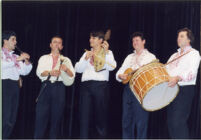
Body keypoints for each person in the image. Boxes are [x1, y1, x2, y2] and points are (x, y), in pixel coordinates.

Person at [75, 30, 117, 138]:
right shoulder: (86, 53)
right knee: (84, 117)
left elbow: (112, 67)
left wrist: (106, 53)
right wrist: (85, 59)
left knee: (101, 117)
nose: (90, 40)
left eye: (93, 38)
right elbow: (78, 69)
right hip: (86, 86)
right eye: (90, 38)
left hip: (100, 86)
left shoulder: (108, 53)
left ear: (101, 40)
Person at [116, 32, 156, 139]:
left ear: (144, 41)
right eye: (133, 41)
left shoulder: (151, 57)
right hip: (128, 89)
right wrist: (120, 75)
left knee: (141, 121)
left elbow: (153, 75)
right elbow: (120, 70)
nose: (134, 43)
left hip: (141, 89)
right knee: (126, 120)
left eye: (137, 40)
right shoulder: (129, 57)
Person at [34, 36, 75, 139]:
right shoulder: (44, 58)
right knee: (40, 118)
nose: (57, 44)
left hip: (59, 88)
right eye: (54, 42)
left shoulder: (66, 60)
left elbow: (72, 76)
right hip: (46, 86)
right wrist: (50, 72)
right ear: (50, 45)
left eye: (59, 43)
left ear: (62, 46)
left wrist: (66, 70)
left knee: (56, 119)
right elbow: (39, 73)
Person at [166, 27, 200, 139]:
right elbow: (165, 71)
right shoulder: (173, 56)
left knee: (178, 122)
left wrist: (177, 78)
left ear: (189, 39)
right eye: (178, 36)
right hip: (170, 91)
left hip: (184, 90)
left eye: (182, 36)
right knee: (170, 123)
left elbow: (192, 72)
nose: (178, 38)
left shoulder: (194, 54)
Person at [1, 31, 33, 139]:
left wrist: (27, 63)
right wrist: (18, 59)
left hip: (14, 86)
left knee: (11, 119)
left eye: (15, 39)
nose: (16, 42)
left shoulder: (14, 56)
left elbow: (24, 71)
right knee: (4, 117)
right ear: (5, 40)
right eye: (13, 39)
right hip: (4, 85)